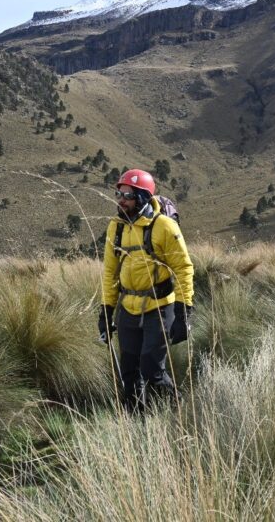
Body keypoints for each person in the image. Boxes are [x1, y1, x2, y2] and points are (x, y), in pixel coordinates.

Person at [100, 168, 194, 412]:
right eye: (118, 193)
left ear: (142, 197)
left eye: (127, 195)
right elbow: (110, 272)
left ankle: (178, 414)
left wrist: (184, 312)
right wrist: (106, 310)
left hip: (159, 308)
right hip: (128, 309)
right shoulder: (116, 227)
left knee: (151, 369)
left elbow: (183, 268)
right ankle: (138, 425)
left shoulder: (163, 226)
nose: (121, 199)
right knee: (129, 372)